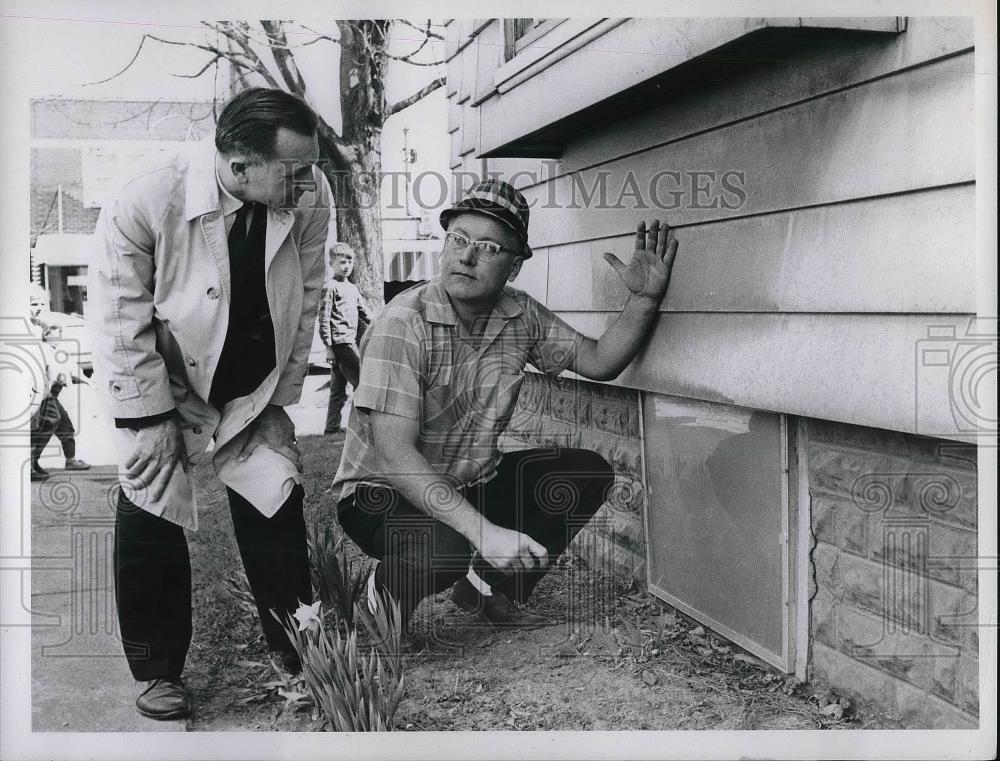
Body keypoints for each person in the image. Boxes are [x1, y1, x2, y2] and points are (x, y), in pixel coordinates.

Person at [332, 179, 679, 647]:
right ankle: (380, 601)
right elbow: (393, 455)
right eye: (458, 239)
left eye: (488, 246)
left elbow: (599, 362)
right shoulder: (404, 323)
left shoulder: (520, 316)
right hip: (381, 492)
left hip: (469, 480)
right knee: (444, 549)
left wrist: (643, 301)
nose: (466, 256)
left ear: (514, 266)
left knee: (583, 473)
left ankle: (485, 591)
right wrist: (485, 533)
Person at [88, 87, 330, 720]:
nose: (308, 182)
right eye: (294, 169)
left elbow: (305, 299)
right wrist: (151, 417)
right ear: (239, 164)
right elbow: (119, 318)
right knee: (150, 507)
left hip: (251, 388)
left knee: (276, 500)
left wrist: (281, 400)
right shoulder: (147, 196)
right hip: (168, 381)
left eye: (310, 168)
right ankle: (157, 669)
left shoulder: (308, 199)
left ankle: (298, 652)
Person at [28, 312, 91, 481]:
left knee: (65, 425)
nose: (59, 334)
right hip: (43, 393)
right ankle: (30, 463)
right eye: (55, 330)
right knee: (49, 422)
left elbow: (72, 369)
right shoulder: (40, 348)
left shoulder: (57, 350)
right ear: (46, 335)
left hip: (53, 392)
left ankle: (70, 460)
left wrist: (89, 382)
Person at [319, 242, 370, 434]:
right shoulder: (330, 287)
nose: (346, 266)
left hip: (349, 341)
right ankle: (364, 426)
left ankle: (331, 427)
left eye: (350, 261)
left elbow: (364, 312)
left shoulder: (352, 288)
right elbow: (324, 318)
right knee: (363, 383)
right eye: (342, 262)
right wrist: (329, 347)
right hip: (341, 344)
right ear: (332, 263)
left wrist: (378, 323)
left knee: (337, 389)